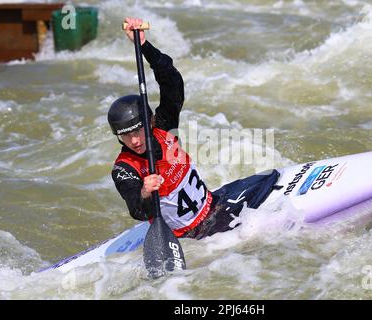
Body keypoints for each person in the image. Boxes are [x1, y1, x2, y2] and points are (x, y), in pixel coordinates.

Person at [109, 17, 280, 239]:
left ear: (149, 123)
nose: (134, 141)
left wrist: (143, 46)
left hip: (213, 205)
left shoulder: (164, 127)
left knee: (272, 176)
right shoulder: (124, 169)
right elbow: (137, 210)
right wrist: (145, 192)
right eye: (125, 136)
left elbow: (172, 83)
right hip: (191, 235)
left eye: (137, 131)